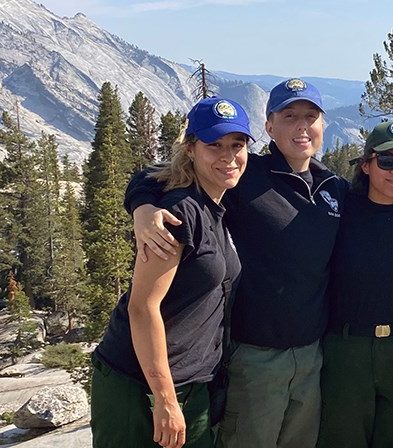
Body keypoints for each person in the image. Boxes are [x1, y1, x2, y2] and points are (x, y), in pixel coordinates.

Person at [124, 79, 348, 448]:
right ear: (270, 127)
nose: (301, 126)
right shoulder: (243, 173)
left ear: (324, 125)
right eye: (289, 116)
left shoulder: (333, 187)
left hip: (311, 355)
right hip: (254, 356)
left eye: (311, 116)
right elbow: (154, 176)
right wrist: (143, 207)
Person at [90, 97, 251, 448]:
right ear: (191, 149)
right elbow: (142, 307)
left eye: (237, 145)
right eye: (214, 145)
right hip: (138, 385)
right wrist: (164, 398)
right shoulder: (179, 214)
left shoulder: (216, 202)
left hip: (190, 383)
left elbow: (145, 177)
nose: (228, 156)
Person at [318, 119, 393, 448]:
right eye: (386, 161)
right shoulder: (341, 203)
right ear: (367, 164)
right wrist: (156, 201)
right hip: (345, 349)